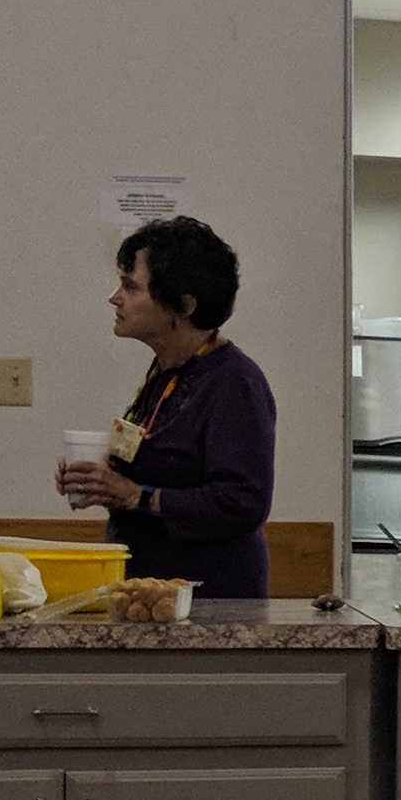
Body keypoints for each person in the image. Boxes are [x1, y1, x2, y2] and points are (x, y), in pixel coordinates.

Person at [57, 214, 276, 600]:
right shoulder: (165, 371)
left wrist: (134, 495)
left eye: (131, 286)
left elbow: (243, 502)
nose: (115, 298)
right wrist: (99, 479)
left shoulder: (234, 382)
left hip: (209, 598)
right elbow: (160, 466)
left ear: (184, 305)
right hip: (149, 589)